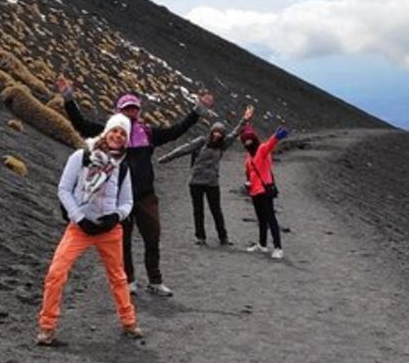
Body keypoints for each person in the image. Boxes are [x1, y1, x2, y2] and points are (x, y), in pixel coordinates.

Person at [56, 76, 213, 297]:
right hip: (119, 198)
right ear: (118, 111)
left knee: (152, 237)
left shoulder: (147, 133)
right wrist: (68, 98)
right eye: (126, 109)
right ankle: (129, 280)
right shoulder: (111, 132)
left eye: (134, 109)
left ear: (139, 111)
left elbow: (175, 131)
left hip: (146, 195)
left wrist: (197, 111)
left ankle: (155, 281)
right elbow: (81, 125)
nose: (131, 113)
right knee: (124, 240)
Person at [36, 113, 139, 345]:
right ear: (106, 132)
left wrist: (116, 216)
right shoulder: (82, 156)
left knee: (118, 277)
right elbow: (64, 189)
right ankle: (47, 327)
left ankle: (129, 321)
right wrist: (79, 218)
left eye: (123, 134)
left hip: (108, 230)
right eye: (114, 131)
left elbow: (127, 201)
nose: (118, 136)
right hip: (80, 228)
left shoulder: (122, 167)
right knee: (56, 273)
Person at [157, 105, 254, 246]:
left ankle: (223, 238)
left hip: (212, 183)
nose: (217, 135)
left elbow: (235, 132)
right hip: (196, 182)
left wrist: (245, 119)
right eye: (215, 132)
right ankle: (200, 237)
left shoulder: (223, 145)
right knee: (198, 211)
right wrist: (165, 158)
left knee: (216, 211)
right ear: (211, 132)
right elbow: (183, 150)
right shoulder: (201, 141)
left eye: (220, 133)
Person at [240, 121, 288, 260]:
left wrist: (276, 137)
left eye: (249, 140)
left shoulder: (261, 150)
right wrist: (248, 182)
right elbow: (249, 172)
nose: (248, 143)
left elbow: (269, 145)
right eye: (245, 141)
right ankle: (262, 244)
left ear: (254, 140)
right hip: (254, 191)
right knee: (261, 219)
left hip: (264, 190)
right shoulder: (249, 155)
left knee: (271, 219)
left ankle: (278, 248)